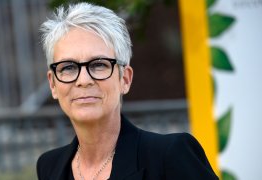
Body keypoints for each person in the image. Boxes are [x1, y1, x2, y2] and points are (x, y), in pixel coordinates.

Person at [37, 2, 218, 180]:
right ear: (53, 84)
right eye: (68, 67)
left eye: (99, 64)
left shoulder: (170, 155)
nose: (83, 80)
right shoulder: (49, 166)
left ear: (125, 79)